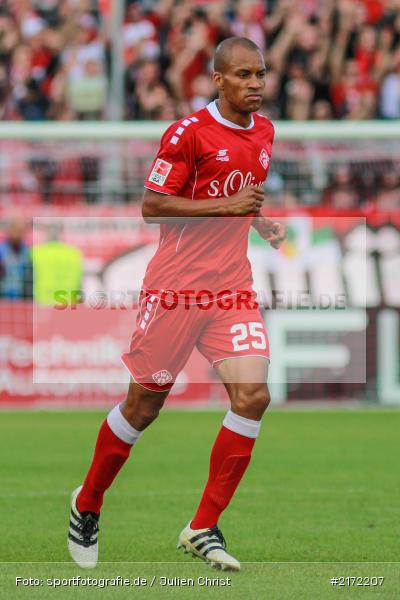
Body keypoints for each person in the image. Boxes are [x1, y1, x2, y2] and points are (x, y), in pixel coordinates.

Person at [67, 37, 286, 572]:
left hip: (231, 289)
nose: (254, 83)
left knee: (253, 396)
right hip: (176, 291)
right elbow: (152, 205)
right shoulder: (187, 133)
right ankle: (87, 503)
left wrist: (257, 222)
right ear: (218, 81)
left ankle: (203, 526)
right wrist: (229, 206)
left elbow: (242, 194)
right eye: (242, 75)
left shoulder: (264, 131)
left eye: (260, 73)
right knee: (143, 408)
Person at [0, 218, 32, 300]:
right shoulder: (1, 251)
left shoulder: (26, 252)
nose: (16, 234)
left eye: (20, 231)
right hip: (3, 298)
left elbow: (28, 278)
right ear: (8, 231)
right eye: (14, 230)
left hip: (20, 299)